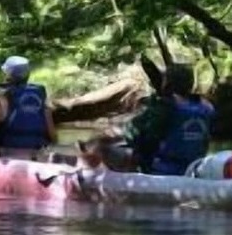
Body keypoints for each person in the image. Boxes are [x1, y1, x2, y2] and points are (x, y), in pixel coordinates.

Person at [79, 63, 215, 176]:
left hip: (160, 169)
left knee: (99, 145)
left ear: (168, 83)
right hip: (193, 168)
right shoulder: (206, 107)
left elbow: (136, 136)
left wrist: (114, 136)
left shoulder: (165, 106)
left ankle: (89, 181)